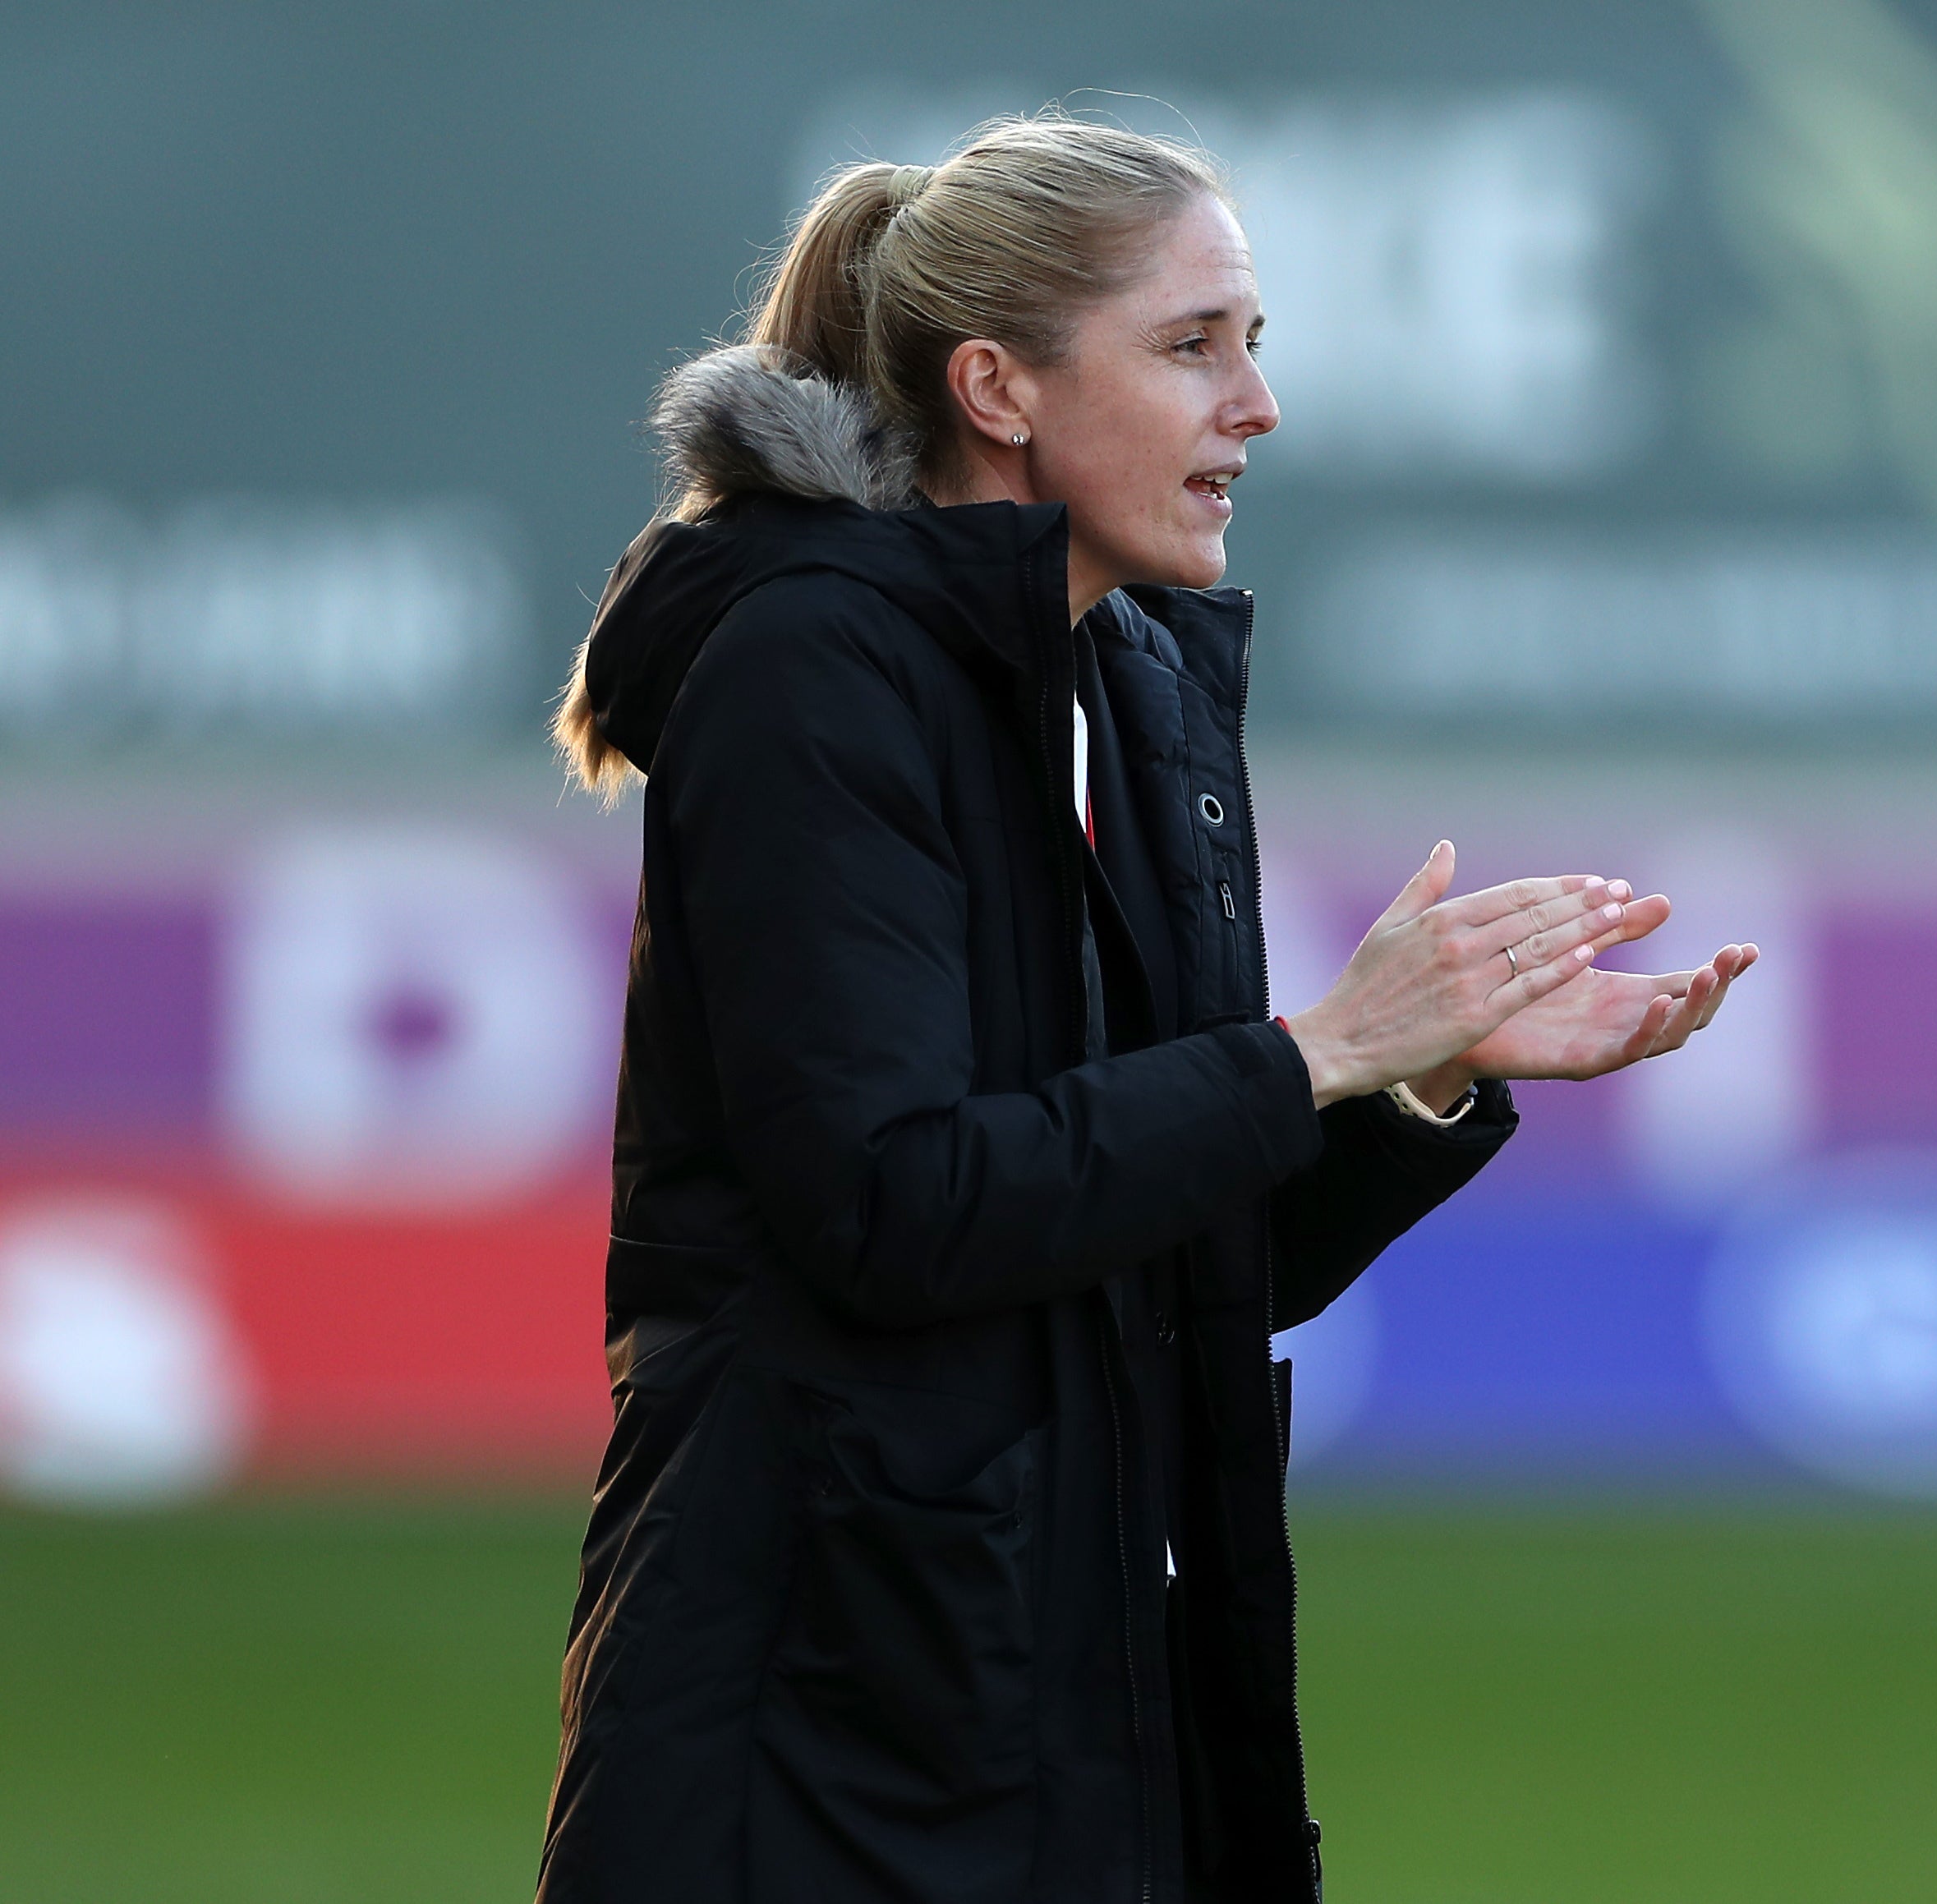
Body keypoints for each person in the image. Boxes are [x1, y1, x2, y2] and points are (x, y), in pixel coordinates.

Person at [538, 113, 1756, 1904]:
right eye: (1193, 346)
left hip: (1091, 1713)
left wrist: (1401, 1080)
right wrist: (1309, 1050)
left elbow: (1181, 1267)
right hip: (817, 1737)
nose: (1254, 405)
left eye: (1254, 344)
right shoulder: (814, 670)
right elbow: (893, 1205)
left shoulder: (1152, 684)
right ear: (997, 388)